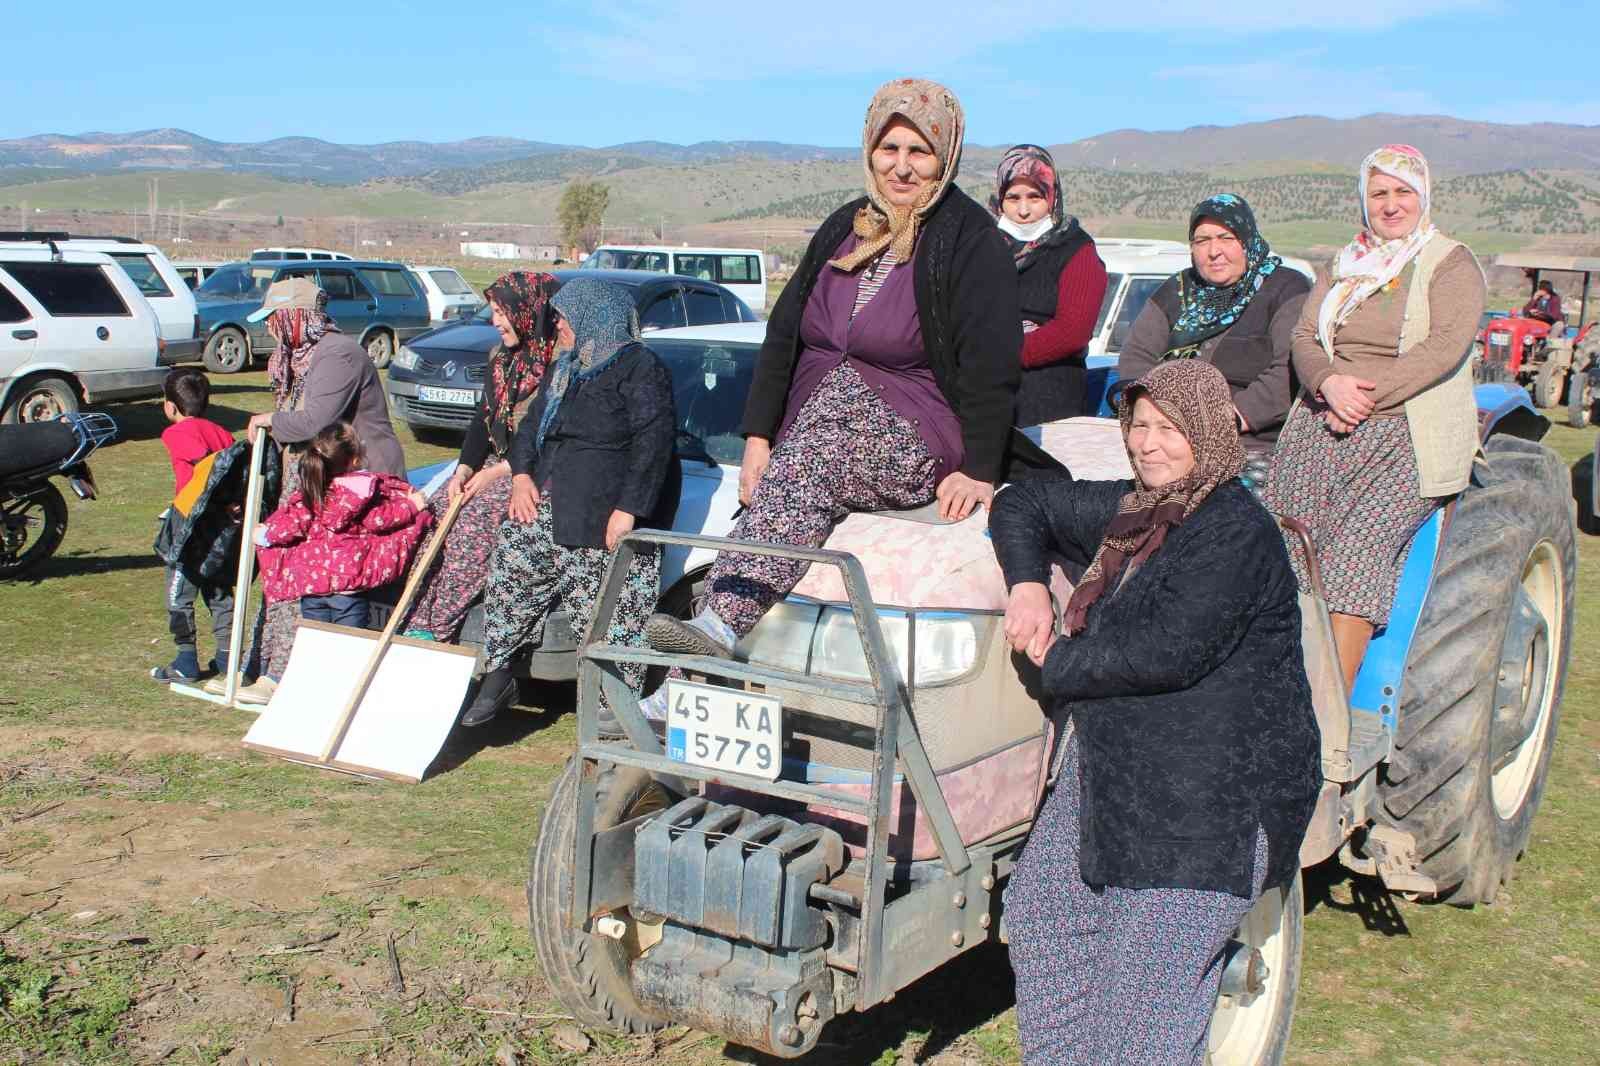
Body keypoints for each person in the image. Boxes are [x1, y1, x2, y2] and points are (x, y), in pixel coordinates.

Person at [989, 360, 1320, 1066]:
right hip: (1118, 767)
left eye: (1168, 428)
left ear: (1206, 431)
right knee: (1043, 918)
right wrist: (1026, 588)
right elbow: (1023, 503)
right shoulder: (1138, 513)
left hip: (1210, 800)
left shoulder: (1235, 532)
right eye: (1138, 425)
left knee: (1137, 1023)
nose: (1148, 443)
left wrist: (1050, 662)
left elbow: (1165, 651)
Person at [645, 78, 1026, 662]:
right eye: (889, 148)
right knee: (768, 497)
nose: (901, 167)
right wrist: (758, 435)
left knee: (809, 463)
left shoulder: (970, 242)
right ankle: (684, 684)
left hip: (913, 429)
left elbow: (992, 365)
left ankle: (717, 627)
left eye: (919, 151)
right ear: (869, 148)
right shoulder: (847, 224)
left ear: (945, 155)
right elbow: (783, 335)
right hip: (815, 420)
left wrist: (979, 467)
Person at [1265, 144, 1485, 692]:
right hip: (1322, 423)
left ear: (1423, 196)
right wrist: (1327, 384)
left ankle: (1328, 717)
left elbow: (1443, 348)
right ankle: (1271, 693)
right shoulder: (1343, 264)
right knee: (1287, 549)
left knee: (1355, 557)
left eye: (1402, 192)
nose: (1390, 205)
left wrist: (1361, 400)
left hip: (1405, 435)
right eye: (1378, 193)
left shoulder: (1451, 263)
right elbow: (1303, 336)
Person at [461, 278, 676, 728]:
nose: (555, 325)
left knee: (607, 618)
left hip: (603, 517)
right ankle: (498, 674)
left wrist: (629, 509)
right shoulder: (566, 369)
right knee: (510, 577)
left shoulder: (640, 367)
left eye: (562, 316)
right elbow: (530, 431)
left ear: (593, 316)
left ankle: (612, 717)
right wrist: (521, 477)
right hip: (549, 508)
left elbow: (652, 444)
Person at [226, 277, 408, 704]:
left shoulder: (338, 354)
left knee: (319, 578)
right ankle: (268, 664)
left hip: (358, 483)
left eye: (274, 317)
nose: (269, 326)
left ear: (294, 315)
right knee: (288, 567)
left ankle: (294, 673)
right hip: (318, 480)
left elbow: (315, 422)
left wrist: (268, 419)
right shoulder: (300, 356)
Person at [402, 271, 561, 643]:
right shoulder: (502, 359)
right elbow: (483, 419)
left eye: (501, 312)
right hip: (493, 467)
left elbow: (546, 439)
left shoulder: (558, 365)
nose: (495, 322)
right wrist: (464, 468)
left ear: (527, 310)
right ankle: (414, 619)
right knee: (438, 510)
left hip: (530, 472)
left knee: (470, 525)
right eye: (493, 312)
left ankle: (439, 627)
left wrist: (493, 476)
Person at [1117, 194, 1309, 483]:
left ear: (1247, 239)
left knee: (1221, 517)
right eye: (1201, 240)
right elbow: (1136, 357)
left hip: (1248, 445)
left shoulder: (1286, 287)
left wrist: (1221, 420)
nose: (1213, 251)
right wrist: (1161, 417)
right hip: (1167, 442)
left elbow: (1289, 369)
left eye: (1225, 238)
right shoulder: (1178, 290)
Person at [257, 421, 433, 634]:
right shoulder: (363, 492)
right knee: (348, 646)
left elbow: (290, 525)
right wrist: (412, 504)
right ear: (356, 460)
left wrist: (264, 534)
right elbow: (379, 520)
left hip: (312, 587)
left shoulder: (311, 492)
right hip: (349, 588)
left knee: (315, 645)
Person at [990, 143, 1108, 426]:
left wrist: (998, 353)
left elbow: (1072, 332)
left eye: (1035, 196)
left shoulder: (1076, 250)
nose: (1023, 210)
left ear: (1052, 198)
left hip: (1048, 397)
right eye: (1012, 197)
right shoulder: (984, 247)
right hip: (986, 392)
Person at [150, 367, 235, 683]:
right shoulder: (222, 433)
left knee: (179, 592)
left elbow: (203, 463)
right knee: (218, 589)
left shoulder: (174, 433)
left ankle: (186, 660)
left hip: (189, 524)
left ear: (169, 406)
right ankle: (227, 657)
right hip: (221, 526)